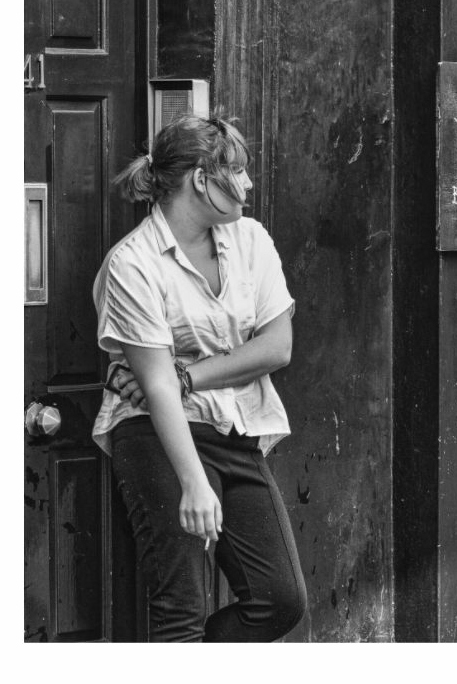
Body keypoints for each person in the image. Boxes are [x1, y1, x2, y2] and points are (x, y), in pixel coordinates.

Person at [91, 115, 307, 642]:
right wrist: (192, 482)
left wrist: (184, 373)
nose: (249, 183)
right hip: (155, 432)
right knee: (180, 609)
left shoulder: (251, 239)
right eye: (236, 170)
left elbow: (276, 347)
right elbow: (156, 390)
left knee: (279, 600)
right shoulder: (133, 264)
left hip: (232, 428)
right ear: (200, 179)